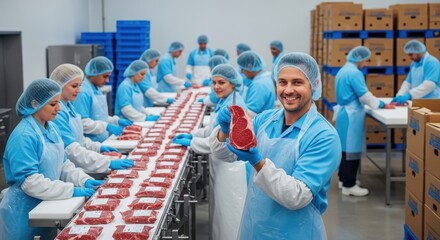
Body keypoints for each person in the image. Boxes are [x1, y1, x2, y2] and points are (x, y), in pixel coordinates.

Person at [211, 52, 341, 239]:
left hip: (296, 231)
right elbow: (224, 155)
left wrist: (257, 162)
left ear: (313, 86)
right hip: (254, 226)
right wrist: (224, 130)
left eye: (297, 82)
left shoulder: (323, 136)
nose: (288, 90)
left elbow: (297, 196)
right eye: (282, 82)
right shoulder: (265, 120)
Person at [0, 78, 103, 239]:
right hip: (23, 211)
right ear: (35, 104)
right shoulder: (24, 135)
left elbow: (63, 164)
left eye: (59, 102)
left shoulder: (51, 127)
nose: (59, 108)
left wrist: (84, 180)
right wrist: (72, 190)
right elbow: (31, 182)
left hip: (49, 204)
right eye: (53, 104)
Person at [174, 64, 248, 240]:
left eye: (221, 82)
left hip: (231, 169)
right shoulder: (225, 100)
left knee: (229, 216)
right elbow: (213, 130)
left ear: (233, 84)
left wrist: (192, 143)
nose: (216, 86)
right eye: (214, 82)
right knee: (219, 212)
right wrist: (193, 134)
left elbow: (220, 142)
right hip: (220, 164)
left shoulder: (235, 106)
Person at [51, 64, 134, 172]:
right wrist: (107, 163)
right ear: (59, 85)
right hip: (72, 167)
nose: (79, 90)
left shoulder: (69, 106)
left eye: (80, 85)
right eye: (74, 86)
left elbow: (78, 138)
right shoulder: (58, 112)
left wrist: (97, 147)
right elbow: (71, 149)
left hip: (79, 164)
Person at [334, 46, 388, 197]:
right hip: (352, 115)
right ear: (359, 59)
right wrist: (381, 104)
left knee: (345, 149)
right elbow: (364, 96)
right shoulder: (354, 73)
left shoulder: (343, 70)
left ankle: (343, 179)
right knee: (352, 149)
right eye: (365, 60)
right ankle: (349, 185)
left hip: (344, 114)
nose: (365, 63)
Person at [73, 56, 132, 142]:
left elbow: (99, 116)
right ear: (94, 72)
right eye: (104, 76)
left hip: (102, 140)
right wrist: (106, 126)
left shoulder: (97, 89)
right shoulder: (83, 91)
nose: (107, 80)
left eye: (108, 77)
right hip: (91, 145)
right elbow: (82, 123)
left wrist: (116, 121)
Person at [237, 51, 276, 118]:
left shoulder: (258, 85)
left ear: (249, 67)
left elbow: (251, 112)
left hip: (260, 124)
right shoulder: (265, 78)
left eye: (242, 69)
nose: (241, 72)